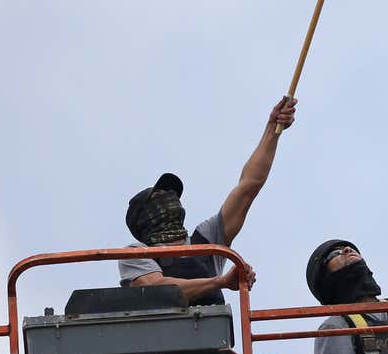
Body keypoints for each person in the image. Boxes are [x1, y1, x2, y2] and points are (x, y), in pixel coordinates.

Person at [118, 97, 297, 303]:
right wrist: (220, 282)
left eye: (172, 194)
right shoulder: (136, 254)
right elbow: (155, 289)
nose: (171, 198)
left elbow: (248, 186)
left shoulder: (206, 240)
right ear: (144, 217)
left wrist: (272, 129)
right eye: (160, 195)